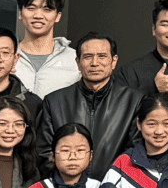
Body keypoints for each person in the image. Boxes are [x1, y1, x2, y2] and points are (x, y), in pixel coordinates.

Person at [42, 34, 138, 177]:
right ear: (78, 62)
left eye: (102, 56)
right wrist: (67, 184)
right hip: (64, 187)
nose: (94, 63)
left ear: (114, 61)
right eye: (87, 57)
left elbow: (136, 153)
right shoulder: (55, 101)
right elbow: (45, 154)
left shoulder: (134, 101)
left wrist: (112, 187)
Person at [13, 0, 79, 97]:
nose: (38, 16)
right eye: (31, 8)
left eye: (47, 9)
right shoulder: (3, 57)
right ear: (20, 13)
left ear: (58, 16)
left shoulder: (75, 59)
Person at [126, 0, 168, 96]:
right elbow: (121, 104)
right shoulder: (130, 72)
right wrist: (153, 88)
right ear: (154, 29)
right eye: (166, 24)